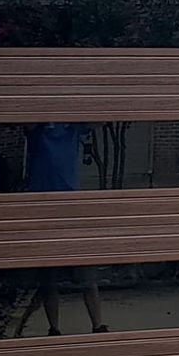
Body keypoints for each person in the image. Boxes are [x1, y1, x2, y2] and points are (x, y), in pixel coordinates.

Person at [20, 122, 109, 336]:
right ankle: (54, 328)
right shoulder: (37, 129)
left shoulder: (72, 127)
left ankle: (98, 325)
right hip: (42, 207)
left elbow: (99, 120)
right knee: (48, 276)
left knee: (86, 273)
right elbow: (28, 125)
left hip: (71, 206)